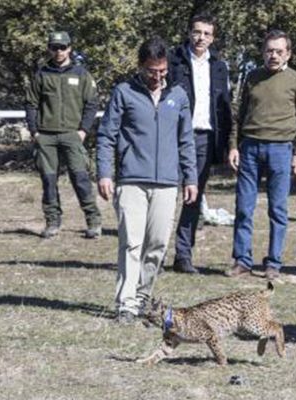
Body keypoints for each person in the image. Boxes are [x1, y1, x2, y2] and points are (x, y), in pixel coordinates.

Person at [96, 37, 198, 324]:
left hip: (167, 182)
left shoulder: (178, 96)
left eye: (162, 71)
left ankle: (142, 298)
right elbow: (106, 136)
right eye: (152, 71)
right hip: (131, 181)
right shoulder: (124, 92)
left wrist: (190, 177)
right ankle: (126, 304)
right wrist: (105, 173)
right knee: (131, 243)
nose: (157, 77)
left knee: (156, 245)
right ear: (141, 66)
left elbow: (186, 140)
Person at [226, 30, 296, 280]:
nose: (273, 55)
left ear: (288, 53)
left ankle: (273, 263)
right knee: (244, 207)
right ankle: (242, 260)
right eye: (269, 51)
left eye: (279, 51)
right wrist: (234, 145)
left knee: (278, 209)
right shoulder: (252, 77)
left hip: (281, 149)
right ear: (263, 52)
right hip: (250, 148)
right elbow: (239, 116)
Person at [167, 13, 233, 274]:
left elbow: (225, 107)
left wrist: (228, 143)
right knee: (164, 192)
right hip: (174, 136)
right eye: (197, 32)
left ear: (213, 38)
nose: (201, 38)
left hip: (205, 138)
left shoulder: (220, 66)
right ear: (189, 33)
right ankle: (153, 250)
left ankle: (183, 255)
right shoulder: (173, 61)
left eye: (206, 34)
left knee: (193, 196)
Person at [25, 31, 102, 239]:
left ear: (69, 48)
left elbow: (92, 102)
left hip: (72, 135)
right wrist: (34, 132)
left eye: (62, 47)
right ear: (49, 49)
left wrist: (83, 130)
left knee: (80, 178)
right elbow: (31, 104)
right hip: (46, 137)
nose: (58, 51)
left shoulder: (81, 74)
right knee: (48, 181)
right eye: (54, 47)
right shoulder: (41, 74)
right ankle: (52, 221)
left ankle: (93, 221)